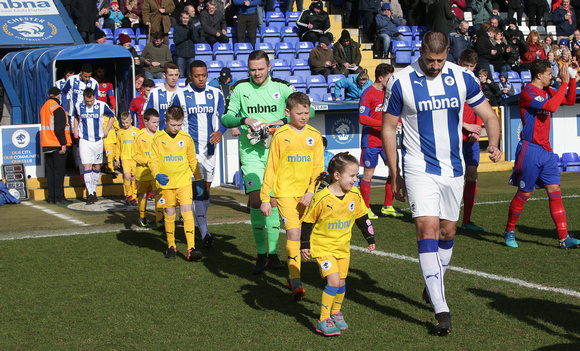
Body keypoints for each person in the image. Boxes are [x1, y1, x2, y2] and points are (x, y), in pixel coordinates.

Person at [381, 31, 501, 335]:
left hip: (453, 168)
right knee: (427, 230)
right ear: (421, 51)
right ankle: (441, 310)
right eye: (430, 60)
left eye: (441, 59)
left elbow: (488, 114)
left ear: (448, 52)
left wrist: (495, 143)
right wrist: (395, 174)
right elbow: (388, 128)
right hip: (418, 166)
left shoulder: (462, 77)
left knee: (448, 232)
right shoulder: (401, 81)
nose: (435, 65)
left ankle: (431, 284)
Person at [221, 50, 296, 274]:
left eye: (260, 69)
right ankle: (261, 254)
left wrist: (282, 121)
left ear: (269, 67)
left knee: (272, 201)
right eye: (252, 69)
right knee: (256, 200)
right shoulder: (241, 88)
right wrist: (245, 119)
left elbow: (307, 109)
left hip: (277, 153)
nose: (256, 73)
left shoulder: (282, 88)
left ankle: (272, 255)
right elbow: (226, 118)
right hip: (251, 154)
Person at [504, 59, 580, 249]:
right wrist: (563, 83)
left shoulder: (548, 91)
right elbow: (551, 107)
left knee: (555, 191)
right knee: (524, 193)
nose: (551, 76)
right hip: (530, 150)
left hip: (546, 151)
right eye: (548, 73)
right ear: (539, 75)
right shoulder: (528, 92)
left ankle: (564, 238)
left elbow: (569, 101)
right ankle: (510, 231)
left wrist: (571, 79)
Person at [300, 152, 376, 336]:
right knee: (333, 281)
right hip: (323, 247)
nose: (355, 180)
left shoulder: (355, 195)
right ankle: (323, 319)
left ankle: (336, 313)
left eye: (356, 175)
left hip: (343, 247)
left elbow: (362, 217)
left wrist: (370, 237)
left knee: (342, 281)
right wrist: (304, 244)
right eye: (352, 176)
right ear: (337, 175)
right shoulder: (321, 198)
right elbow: (308, 222)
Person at [260, 92, 324, 301]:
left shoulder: (314, 135)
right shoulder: (280, 136)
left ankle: (291, 274)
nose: (304, 117)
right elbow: (271, 168)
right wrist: (264, 197)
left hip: (306, 195)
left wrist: (310, 191)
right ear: (288, 113)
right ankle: (296, 281)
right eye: (299, 113)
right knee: (293, 234)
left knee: (308, 237)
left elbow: (318, 169)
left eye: (307, 112)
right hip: (285, 193)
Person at [172, 60, 227, 248]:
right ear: (190, 76)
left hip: (210, 149)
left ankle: (197, 222)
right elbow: (174, 119)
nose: (201, 78)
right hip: (191, 150)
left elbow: (225, 117)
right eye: (197, 75)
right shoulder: (180, 95)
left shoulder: (216, 94)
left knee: (207, 188)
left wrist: (220, 131)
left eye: (204, 75)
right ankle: (204, 232)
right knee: (198, 190)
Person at [149, 105, 203, 261]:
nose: (176, 128)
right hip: (166, 185)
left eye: (179, 125)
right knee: (170, 214)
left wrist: (198, 179)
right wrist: (157, 174)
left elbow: (192, 160)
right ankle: (171, 246)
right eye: (173, 124)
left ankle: (191, 248)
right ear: (165, 121)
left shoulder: (186, 138)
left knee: (187, 212)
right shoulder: (158, 139)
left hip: (184, 182)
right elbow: (152, 160)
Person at [358, 63, 403, 220]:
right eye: (389, 78)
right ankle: (365, 208)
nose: (392, 82)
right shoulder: (368, 93)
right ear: (380, 78)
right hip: (371, 140)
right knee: (368, 174)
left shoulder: (390, 93)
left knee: (394, 170)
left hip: (387, 140)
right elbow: (363, 118)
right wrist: (385, 125)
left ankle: (387, 206)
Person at [457, 49, 485, 231]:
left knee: (472, 175)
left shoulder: (476, 83)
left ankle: (467, 221)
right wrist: (465, 125)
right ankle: (445, 218)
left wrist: (479, 127)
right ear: (459, 63)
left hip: (472, 138)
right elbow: (448, 111)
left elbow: (481, 107)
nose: (467, 69)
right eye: (464, 65)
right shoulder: (451, 82)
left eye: (470, 66)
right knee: (454, 178)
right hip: (455, 136)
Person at [73, 88, 116, 204]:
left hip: (97, 140)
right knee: (87, 166)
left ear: (94, 97)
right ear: (84, 98)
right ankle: (90, 193)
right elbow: (76, 117)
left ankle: (94, 190)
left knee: (96, 167)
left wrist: (107, 130)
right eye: (87, 101)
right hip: (85, 140)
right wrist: (75, 130)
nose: (89, 103)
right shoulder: (78, 105)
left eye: (91, 101)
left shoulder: (101, 105)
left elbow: (112, 116)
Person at [62, 63, 100, 177]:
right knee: (78, 140)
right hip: (75, 115)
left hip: (89, 116)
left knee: (87, 139)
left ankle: (87, 168)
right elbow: (63, 93)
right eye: (85, 76)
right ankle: (80, 168)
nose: (87, 79)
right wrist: (65, 109)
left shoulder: (94, 83)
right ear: (81, 73)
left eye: (89, 76)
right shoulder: (72, 80)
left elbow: (96, 99)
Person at [41, 87, 72, 205]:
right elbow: (59, 129)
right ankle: (59, 197)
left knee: (51, 172)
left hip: (47, 144)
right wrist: (63, 144)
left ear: (49, 95)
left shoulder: (44, 107)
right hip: (56, 144)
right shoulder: (57, 109)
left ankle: (51, 197)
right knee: (59, 172)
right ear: (59, 95)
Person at [133, 108, 163, 228]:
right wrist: (146, 162)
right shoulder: (139, 135)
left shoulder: (161, 135)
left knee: (158, 194)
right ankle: (142, 216)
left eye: (157, 122)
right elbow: (135, 154)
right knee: (143, 195)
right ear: (146, 121)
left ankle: (159, 218)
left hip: (157, 173)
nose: (156, 125)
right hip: (143, 172)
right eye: (154, 122)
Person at [145, 62, 181, 130]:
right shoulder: (154, 93)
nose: (174, 78)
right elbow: (146, 115)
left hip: (177, 137)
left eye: (176, 75)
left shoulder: (182, 93)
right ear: (164, 75)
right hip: (158, 135)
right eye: (170, 75)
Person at [116, 112, 140, 205]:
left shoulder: (136, 131)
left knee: (134, 177)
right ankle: (128, 195)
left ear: (131, 120)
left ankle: (134, 197)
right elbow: (118, 146)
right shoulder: (120, 132)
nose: (125, 125)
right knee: (127, 176)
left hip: (134, 158)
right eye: (123, 123)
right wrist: (117, 158)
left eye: (127, 123)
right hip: (125, 158)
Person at [174, 11, 200, 78]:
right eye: (184, 18)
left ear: (189, 19)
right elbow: (176, 40)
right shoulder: (177, 27)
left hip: (190, 53)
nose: (185, 20)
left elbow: (196, 40)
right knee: (180, 75)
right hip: (180, 54)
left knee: (190, 75)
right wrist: (186, 36)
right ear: (181, 18)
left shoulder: (192, 27)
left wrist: (192, 34)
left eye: (187, 18)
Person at [102, 108, 120, 178]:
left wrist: (113, 121)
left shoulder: (113, 118)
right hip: (106, 141)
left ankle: (108, 167)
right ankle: (112, 170)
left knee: (112, 156)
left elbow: (117, 127)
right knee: (109, 156)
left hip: (113, 140)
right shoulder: (102, 118)